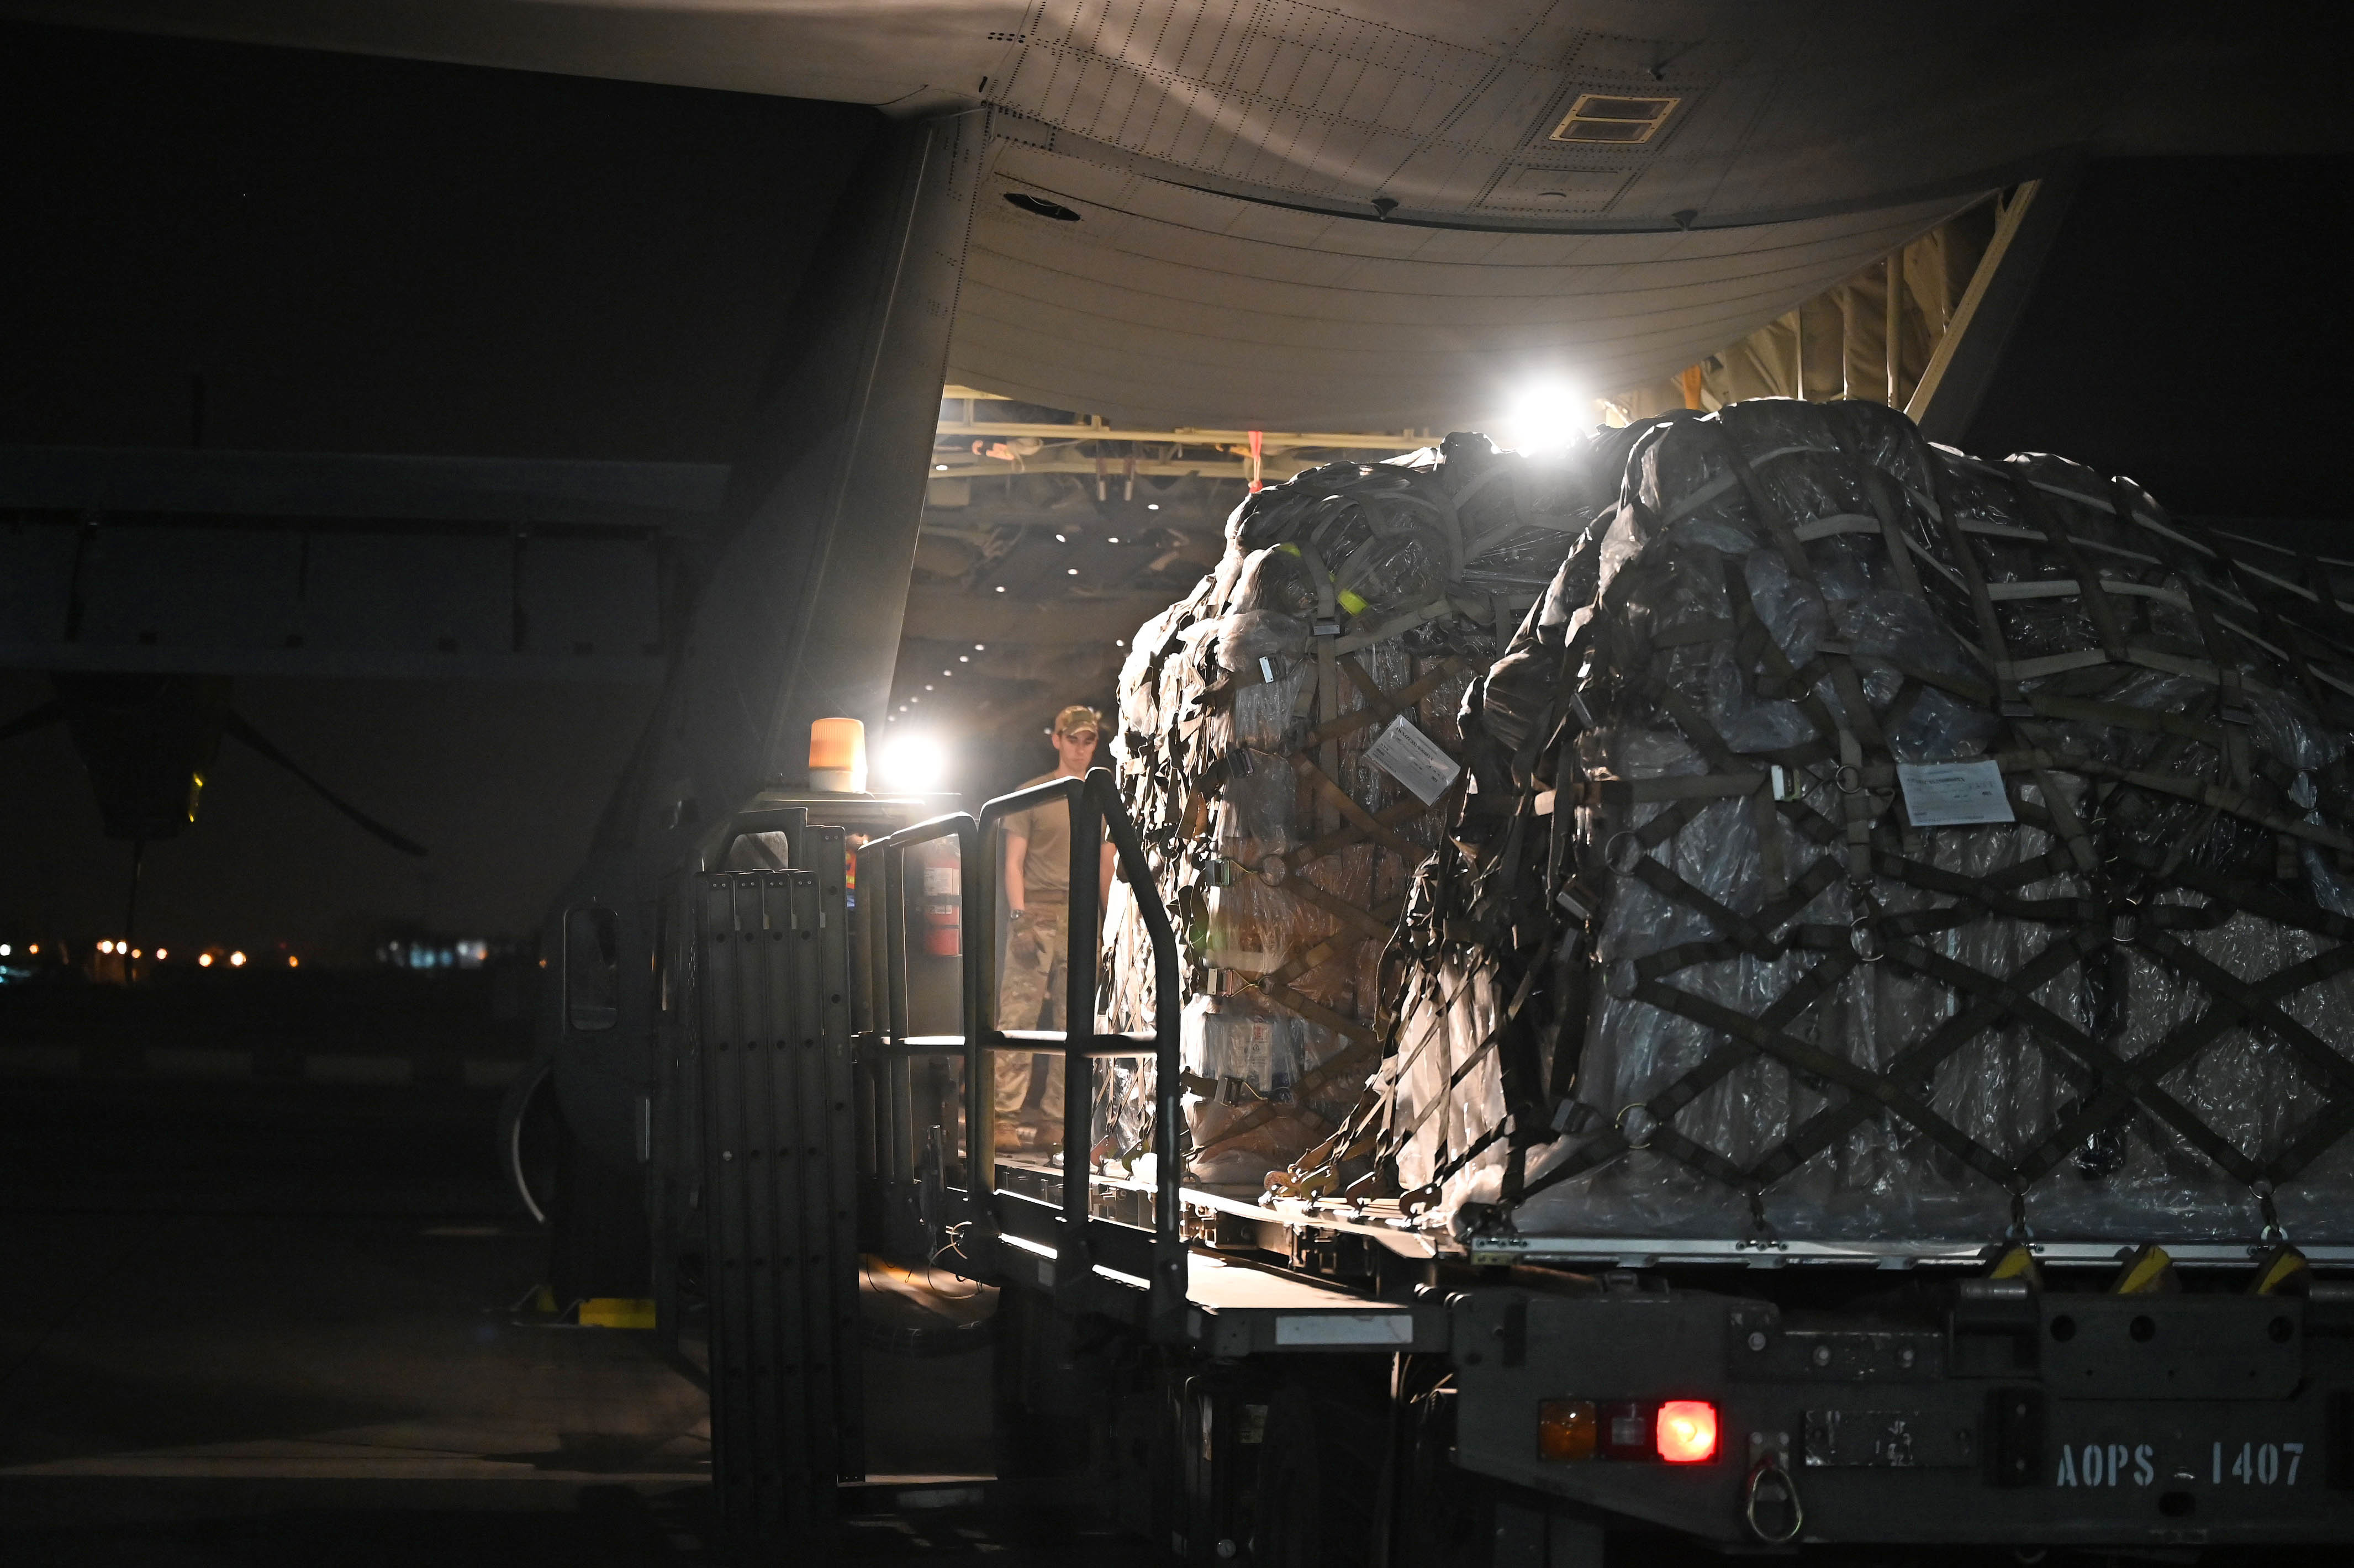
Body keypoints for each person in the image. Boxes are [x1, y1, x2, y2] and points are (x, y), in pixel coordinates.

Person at [996, 704, 1116, 1148]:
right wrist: (1019, 918)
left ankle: (1058, 1121)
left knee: (1076, 1023)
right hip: (1039, 912)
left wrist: (1111, 927)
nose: (1081, 748)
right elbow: (1014, 862)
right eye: (1073, 739)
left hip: (1082, 917)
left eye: (1089, 740)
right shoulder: (1032, 794)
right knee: (1018, 1018)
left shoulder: (1100, 796)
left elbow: (1105, 866)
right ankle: (1003, 1117)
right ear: (1057, 740)